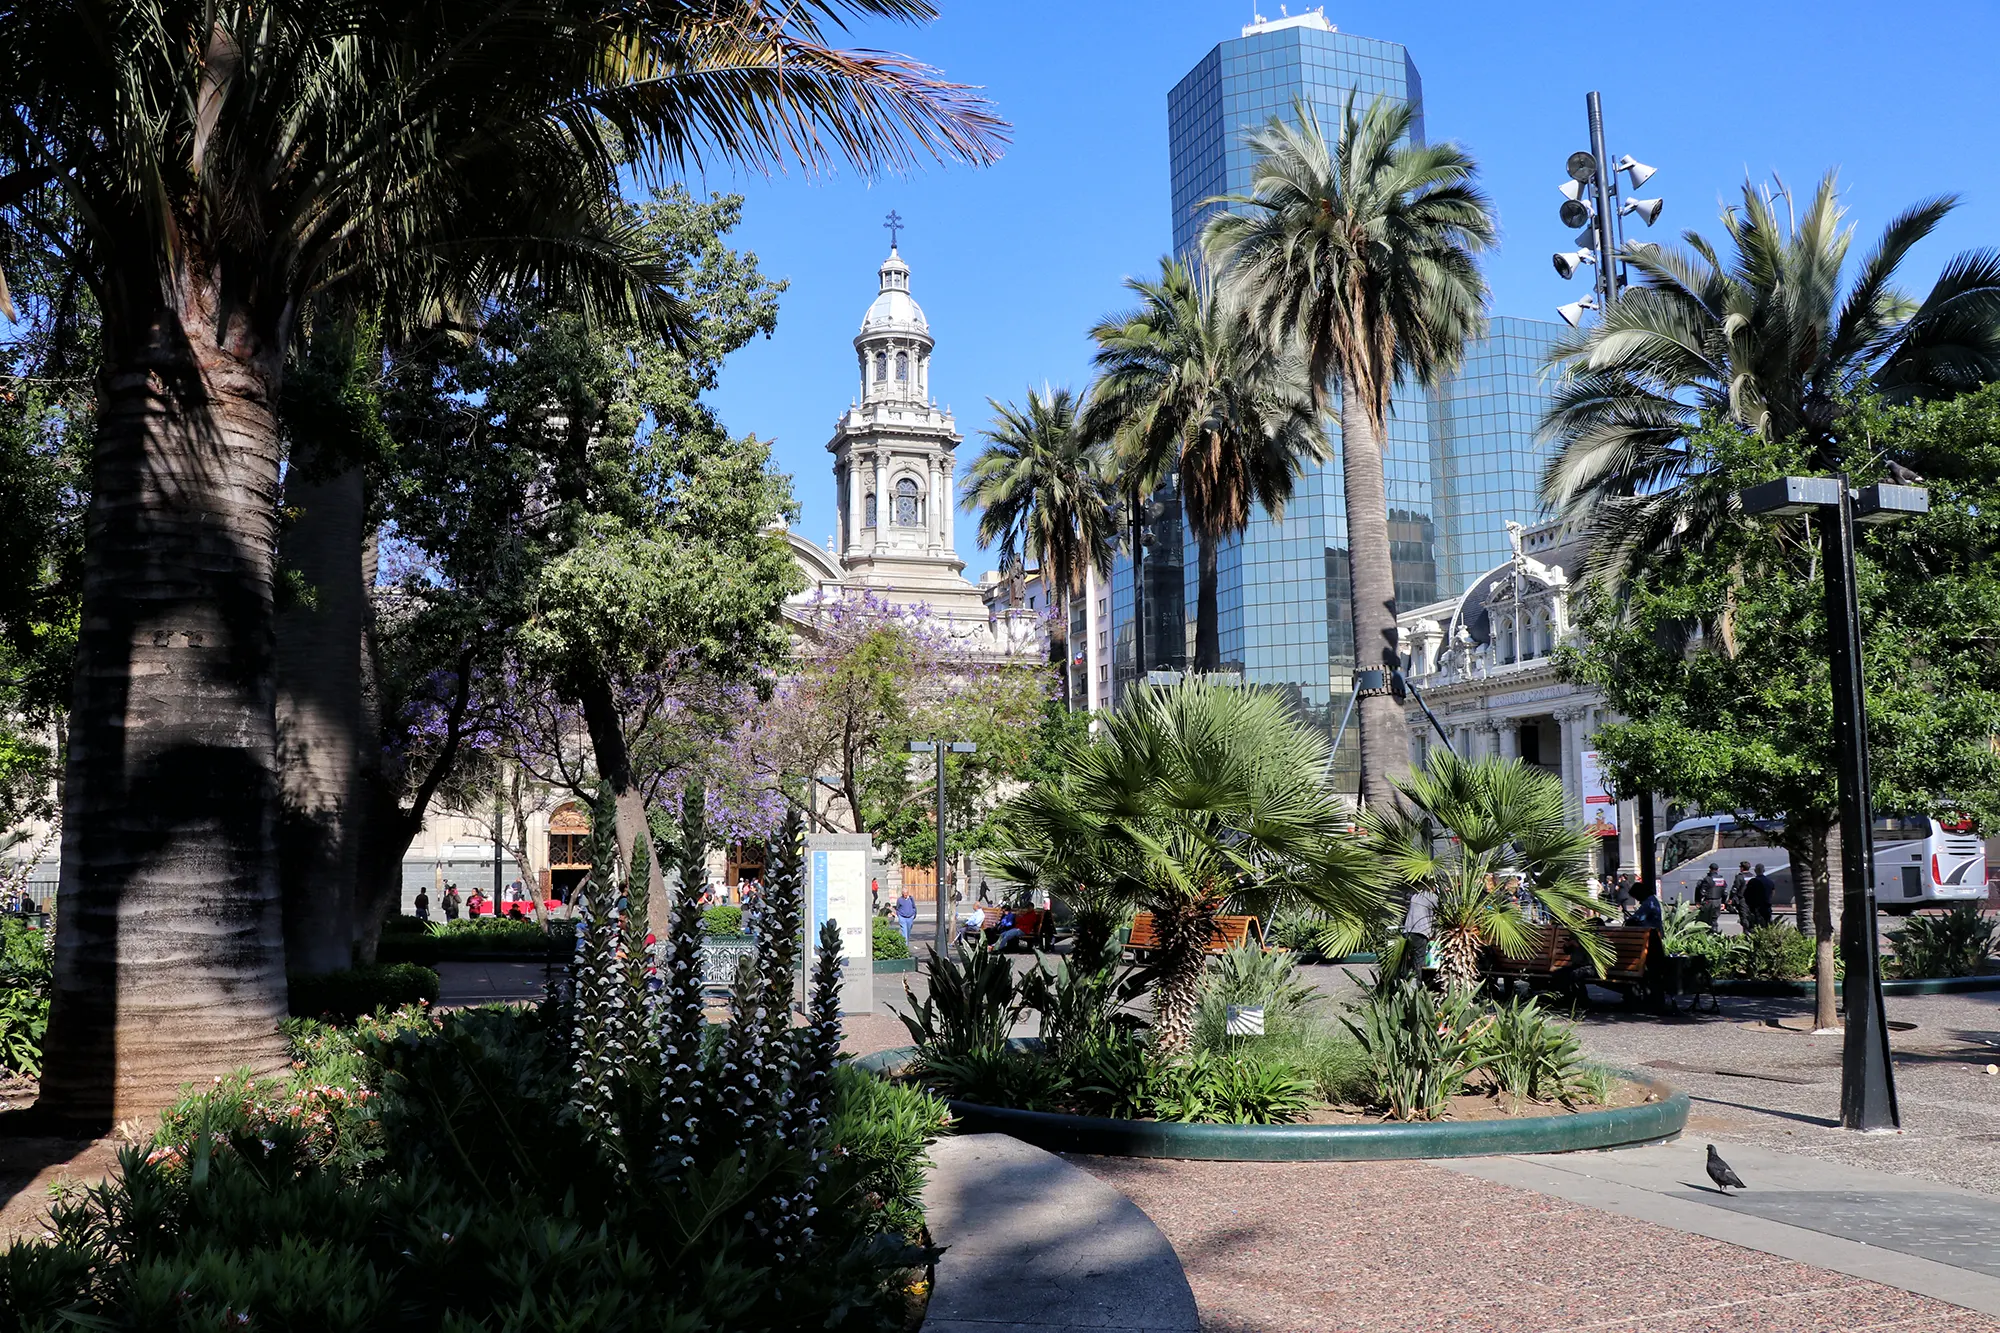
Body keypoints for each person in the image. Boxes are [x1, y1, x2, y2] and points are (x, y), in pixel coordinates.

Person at [1400, 886, 1436, 980]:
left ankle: (1402, 982)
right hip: (1420, 931)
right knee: (1419, 959)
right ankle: (1420, 985)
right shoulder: (1432, 897)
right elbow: (1440, 911)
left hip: (1407, 930)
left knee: (1407, 959)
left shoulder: (1415, 895)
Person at [1745, 863, 1776, 929]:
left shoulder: (1752, 882)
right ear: (1764, 870)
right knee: (1767, 925)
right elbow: (1773, 893)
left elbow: (1747, 894)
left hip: (1755, 908)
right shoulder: (1770, 882)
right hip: (1767, 906)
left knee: (1755, 927)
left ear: (1755, 871)